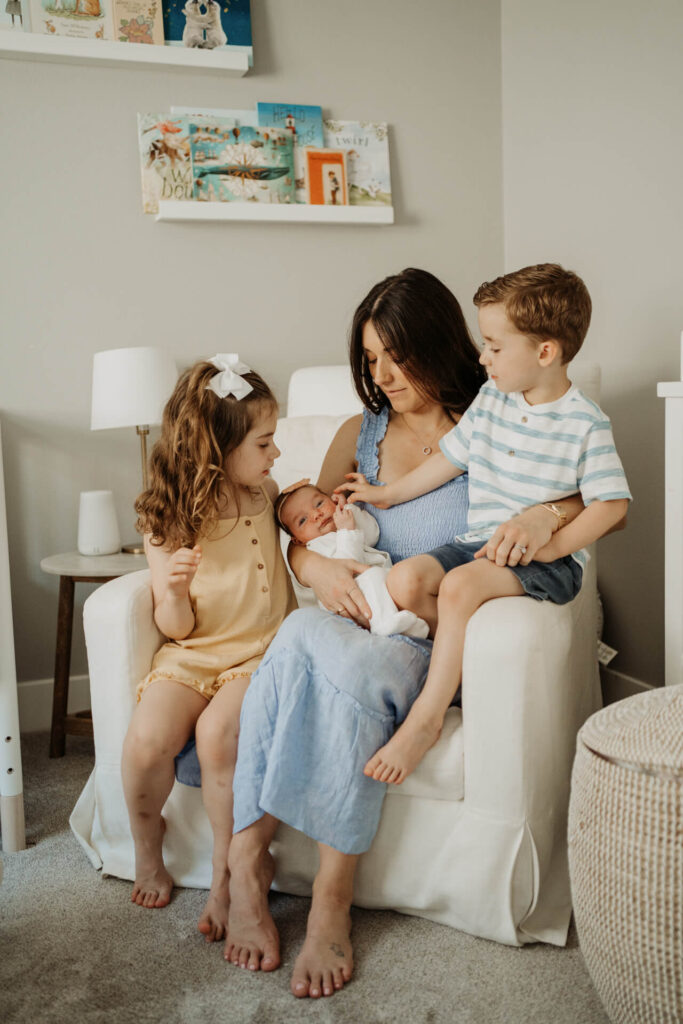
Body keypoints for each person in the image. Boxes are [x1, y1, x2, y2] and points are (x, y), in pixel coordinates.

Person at [224, 268, 585, 999]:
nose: (383, 376)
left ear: (437, 346)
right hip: (356, 619)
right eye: (370, 359)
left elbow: (571, 495)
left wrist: (544, 515)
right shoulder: (357, 434)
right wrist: (314, 568)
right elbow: (300, 523)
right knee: (296, 638)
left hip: (432, 638)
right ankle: (245, 863)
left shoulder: (497, 412)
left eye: (397, 356)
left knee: (355, 671)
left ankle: (331, 899)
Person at [340, 263, 632, 785]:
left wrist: (550, 546)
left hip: (545, 563)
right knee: (404, 581)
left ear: (545, 353)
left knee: (457, 587)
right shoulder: (492, 400)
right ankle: (465, 668)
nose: (483, 357)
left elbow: (613, 508)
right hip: (477, 543)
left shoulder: (585, 423)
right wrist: (386, 494)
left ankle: (426, 719)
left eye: (495, 347)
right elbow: (449, 459)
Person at [121, 353, 296, 944]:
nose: (275, 454)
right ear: (217, 448)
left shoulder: (266, 493)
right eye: (264, 443)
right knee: (147, 739)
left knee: (219, 737)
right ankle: (148, 845)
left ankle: (227, 875)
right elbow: (175, 629)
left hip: (259, 653)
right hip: (193, 651)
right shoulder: (168, 518)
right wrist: (171, 590)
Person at [274, 479, 428, 638]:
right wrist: (347, 531)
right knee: (374, 576)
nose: (316, 514)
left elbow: (373, 533)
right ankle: (386, 625)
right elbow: (346, 570)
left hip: (382, 585)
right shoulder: (316, 547)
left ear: (332, 499)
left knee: (393, 578)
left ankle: (399, 624)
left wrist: (347, 510)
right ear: (297, 540)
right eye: (302, 520)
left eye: (319, 503)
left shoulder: (343, 521)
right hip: (351, 599)